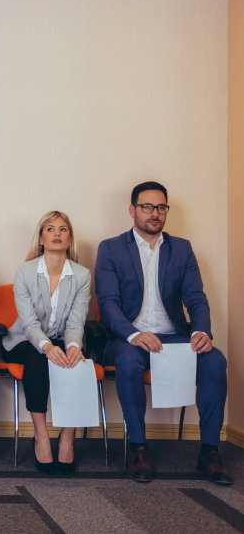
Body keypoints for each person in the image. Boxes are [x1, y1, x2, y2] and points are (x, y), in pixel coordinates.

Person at [96, 181, 230, 484]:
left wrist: (202, 331)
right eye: (147, 206)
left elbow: (195, 297)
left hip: (173, 337)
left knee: (215, 361)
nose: (154, 213)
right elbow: (108, 303)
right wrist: (132, 334)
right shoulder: (111, 248)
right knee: (129, 361)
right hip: (127, 338)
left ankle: (209, 451)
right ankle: (139, 448)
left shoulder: (181, 248)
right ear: (132, 210)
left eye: (160, 207)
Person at [1, 211, 91, 475]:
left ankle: (67, 437)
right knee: (39, 358)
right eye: (50, 229)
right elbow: (29, 324)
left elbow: (76, 323)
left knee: (76, 361)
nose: (57, 234)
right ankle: (41, 436)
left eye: (63, 229)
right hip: (24, 341)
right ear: (41, 238)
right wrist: (47, 346)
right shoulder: (25, 272)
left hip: (64, 339)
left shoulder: (82, 275)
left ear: (70, 238)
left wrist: (73, 347)